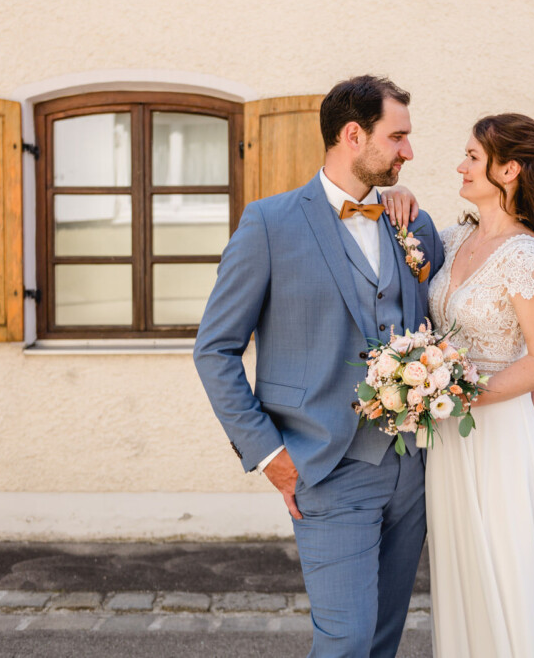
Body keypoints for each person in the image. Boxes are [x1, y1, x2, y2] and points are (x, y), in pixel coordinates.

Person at [193, 75, 446, 657]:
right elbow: (215, 349)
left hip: (413, 471)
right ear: (353, 135)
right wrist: (270, 456)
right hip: (326, 467)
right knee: (345, 641)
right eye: (399, 136)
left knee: (382, 639)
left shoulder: (415, 224)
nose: (409, 151)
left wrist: (533, 387)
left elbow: (465, 308)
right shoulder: (269, 224)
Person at [421, 113, 534, 657]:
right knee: (463, 570)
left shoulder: (525, 253)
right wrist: (396, 195)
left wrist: (454, 395)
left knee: (507, 573)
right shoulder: (455, 237)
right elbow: (403, 240)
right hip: (451, 438)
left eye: (472, 156)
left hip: (499, 439)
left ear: (508, 168)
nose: (461, 165)